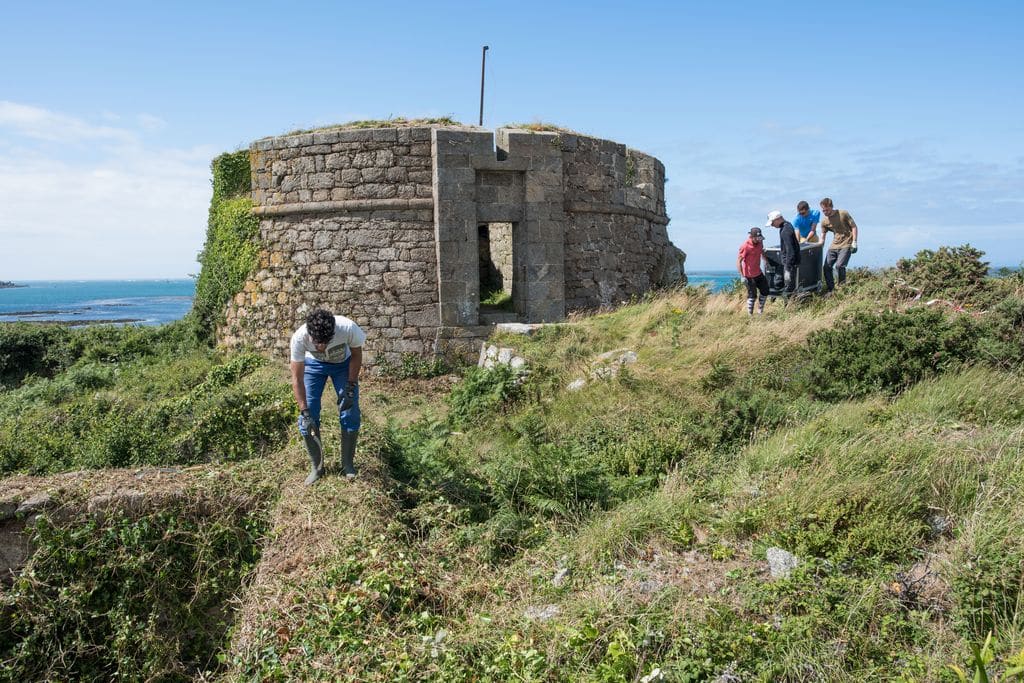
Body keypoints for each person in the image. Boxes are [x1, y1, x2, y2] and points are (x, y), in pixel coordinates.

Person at [290, 308, 366, 485]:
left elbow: (356, 354)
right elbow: (297, 378)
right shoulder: (299, 338)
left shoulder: (347, 328)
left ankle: (347, 464)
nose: (321, 347)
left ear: (333, 332)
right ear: (310, 334)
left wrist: (350, 387)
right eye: (317, 343)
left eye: (326, 342)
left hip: (343, 365)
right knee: (308, 418)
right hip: (313, 367)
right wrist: (305, 411)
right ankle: (317, 468)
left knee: (350, 411)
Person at [819, 197, 859, 292]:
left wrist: (855, 241)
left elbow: (854, 227)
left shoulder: (843, 213)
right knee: (826, 267)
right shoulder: (824, 221)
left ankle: (842, 287)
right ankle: (831, 290)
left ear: (831, 207)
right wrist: (820, 246)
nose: (825, 212)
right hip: (834, 245)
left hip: (846, 243)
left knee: (839, 266)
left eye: (827, 210)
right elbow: (823, 235)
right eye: (823, 210)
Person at [766, 210, 800, 296]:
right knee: (788, 288)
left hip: (789, 264)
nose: (773, 226)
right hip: (790, 263)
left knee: (789, 290)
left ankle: (790, 308)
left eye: (773, 223)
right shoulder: (787, 226)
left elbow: (790, 250)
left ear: (778, 219)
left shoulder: (785, 230)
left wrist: (788, 268)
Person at [737, 227, 769, 315]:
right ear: (752, 237)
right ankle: (750, 315)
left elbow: (761, 251)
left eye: (760, 238)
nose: (759, 240)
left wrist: (766, 261)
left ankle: (760, 312)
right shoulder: (745, 246)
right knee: (752, 296)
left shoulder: (760, 242)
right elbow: (738, 262)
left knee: (765, 291)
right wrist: (742, 276)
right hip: (749, 276)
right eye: (757, 238)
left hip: (758, 273)